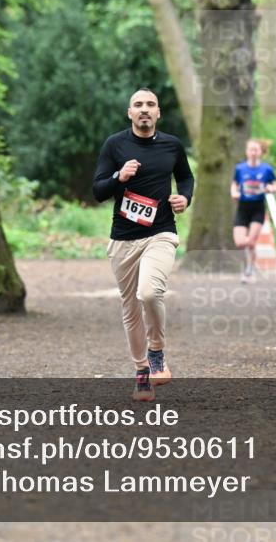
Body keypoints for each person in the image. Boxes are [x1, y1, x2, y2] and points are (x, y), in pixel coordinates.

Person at [93, 88, 194, 402]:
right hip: (123, 238)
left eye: (150, 104)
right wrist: (119, 177)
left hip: (160, 233)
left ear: (158, 113)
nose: (144, 110)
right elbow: (98, 190)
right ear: (130, 113)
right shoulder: (115, 144)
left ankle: (157, 352)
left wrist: (184, 198)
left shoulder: (172, 145)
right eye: (138, 105)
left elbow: (186, 178)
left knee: (149, 292)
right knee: (131, 308)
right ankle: (141, 372)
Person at [230, 139, 276, 284]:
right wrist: (234, 193)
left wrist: (271, 189)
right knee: (240, 243)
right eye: (250, 149)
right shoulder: (240, 168)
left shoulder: (266, 169)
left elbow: (275, 186)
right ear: (247, 152)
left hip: (258, 208)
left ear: (260, 152)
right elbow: (234, 185)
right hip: (243, 208)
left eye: (256, 150)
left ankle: (249, 271)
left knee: (250, 242)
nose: (253, 152)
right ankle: (248, 267)